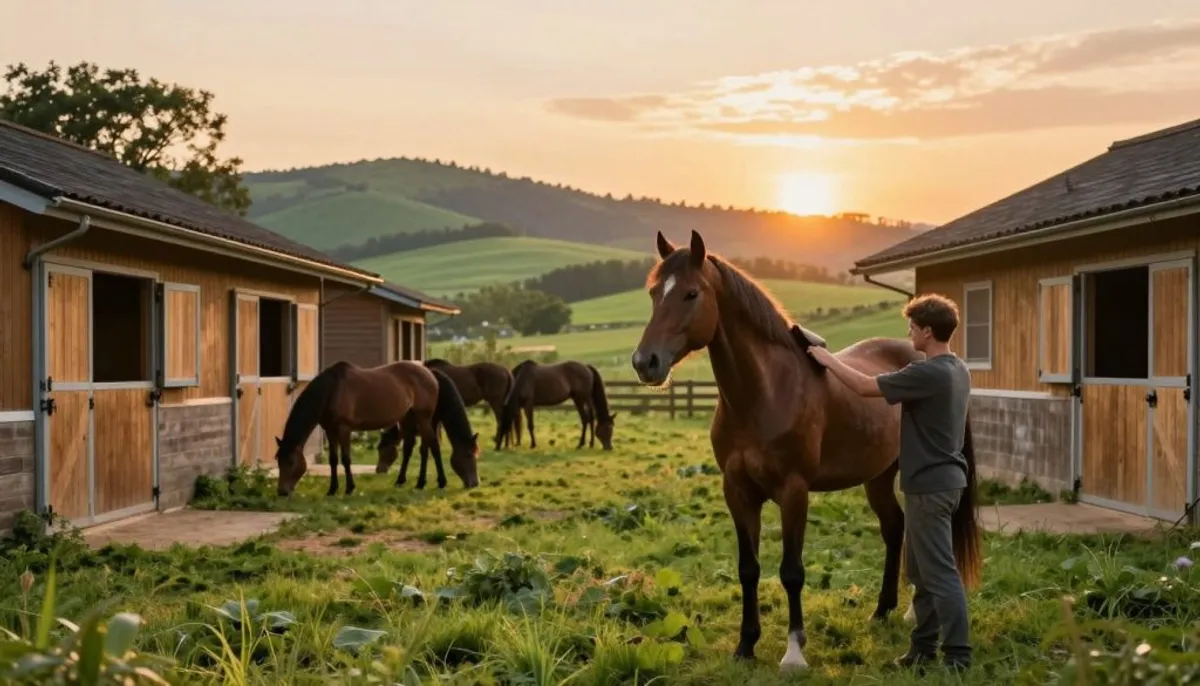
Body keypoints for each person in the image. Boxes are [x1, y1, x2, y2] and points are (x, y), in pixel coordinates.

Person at [804, 293, 972, 672]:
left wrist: (826, 358)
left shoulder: (928, 373)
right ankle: (922, 649)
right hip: (938, 484)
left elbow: (864, 387)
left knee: (941, 574)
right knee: (921, 573)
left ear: (928, 331)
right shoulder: (957, 369)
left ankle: (958, 657)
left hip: (930, 488)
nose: (908, 332)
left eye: (912, 326)